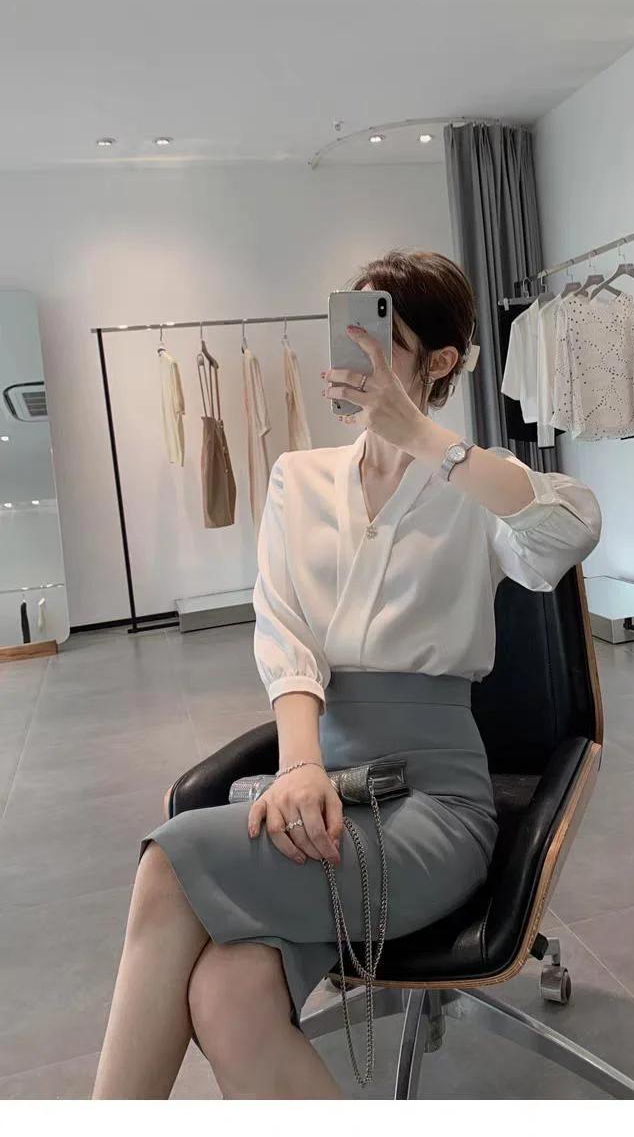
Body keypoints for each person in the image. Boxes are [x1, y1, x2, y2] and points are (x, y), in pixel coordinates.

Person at [92, 250, 602, 1099]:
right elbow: (285, 635)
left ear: (440, 361)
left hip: (435, 804)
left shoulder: (475, 486)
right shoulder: (298, 479)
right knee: (228, 995)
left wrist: (427, 441)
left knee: (168, 868)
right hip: (318, 790)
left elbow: (568, 530)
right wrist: (299, 764)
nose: (352, 354)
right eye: (345, 330)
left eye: (378, 337)